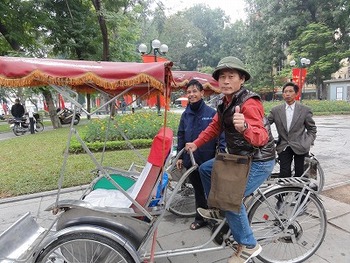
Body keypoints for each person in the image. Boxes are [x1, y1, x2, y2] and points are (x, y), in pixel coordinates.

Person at [185, 56, 275, 263]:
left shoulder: (249, 103)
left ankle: (249, 244)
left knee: (231, 199)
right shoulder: (224, 102)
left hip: (258, 161)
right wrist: (196, 143)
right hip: (238, 158)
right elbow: (214, 127)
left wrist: (244, 127)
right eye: (222, 77)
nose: (225, 81)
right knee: (206, 169)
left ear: (241, 79)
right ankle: (217, 209)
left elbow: (261, 138)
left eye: (231, 76)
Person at [176, 79, 226, 230]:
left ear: (202, 93)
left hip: (208, 158)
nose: (191, 95)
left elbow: (220, 135)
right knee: (198, 189)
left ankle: (217, 218)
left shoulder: (211, 113)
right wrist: (179, 157)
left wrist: (222, 154)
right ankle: (200, 218)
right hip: (190, 160)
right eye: (189, 92)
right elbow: (181, 135)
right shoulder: (186, 114)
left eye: (194, 91)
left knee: (212, 190)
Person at [268, 82, 317, 178]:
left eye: (290, 91)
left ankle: (300, 192)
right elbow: (265, 124)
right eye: (285, 92)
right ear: (282, 94)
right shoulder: (275, 110)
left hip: (301, 146)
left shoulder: (305, 110)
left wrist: (308, 141)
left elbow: (311, 128)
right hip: (284, 146)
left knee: (301, 174)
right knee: (284, 174)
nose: (287, 94)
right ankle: (285, 193)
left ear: (296, 94)